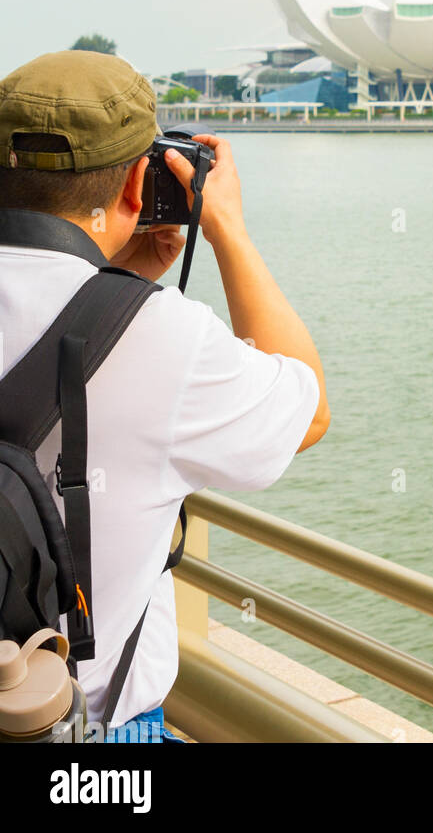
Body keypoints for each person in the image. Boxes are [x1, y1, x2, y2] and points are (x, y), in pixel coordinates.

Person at [0, 51, 329, 741]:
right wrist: (228, 231)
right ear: (136, 186)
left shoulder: (139, 320)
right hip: (74, 731)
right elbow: (307, 412)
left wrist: (107, 289)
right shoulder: (163, 337)